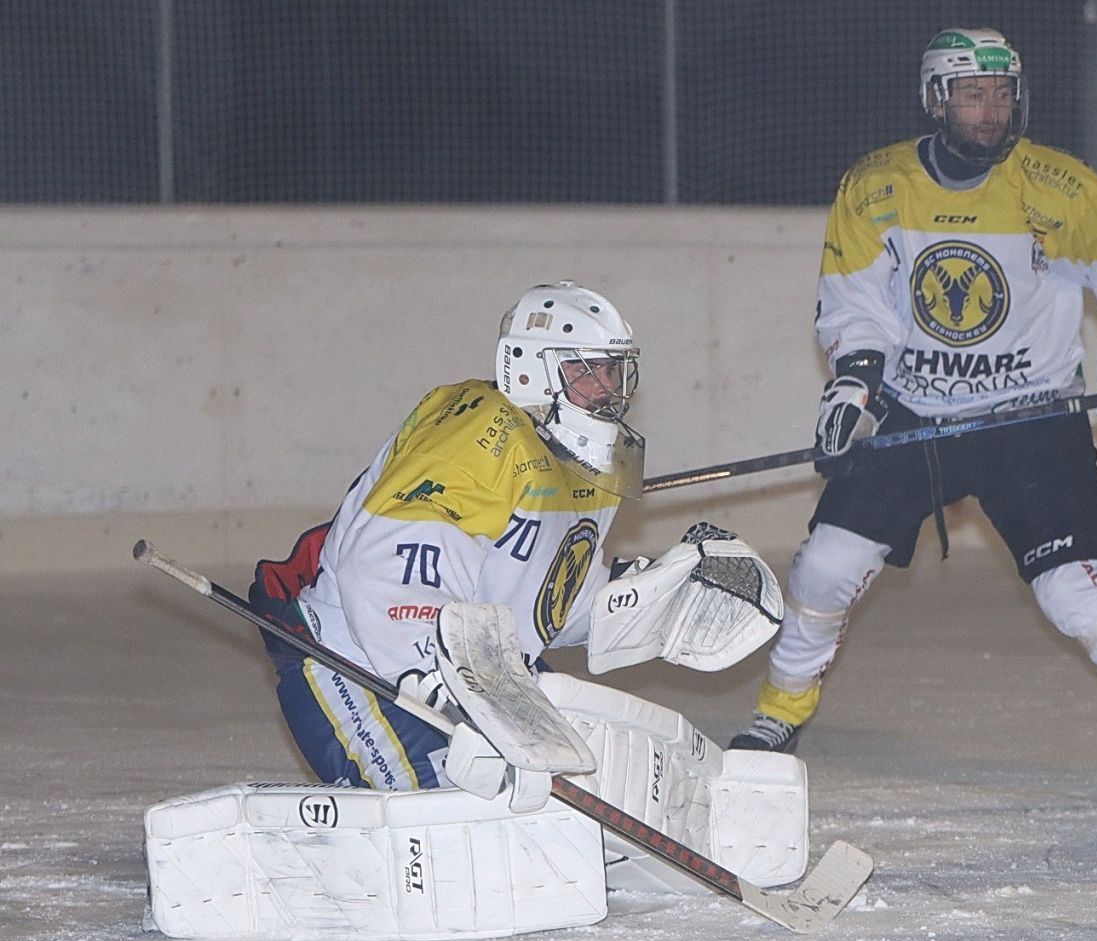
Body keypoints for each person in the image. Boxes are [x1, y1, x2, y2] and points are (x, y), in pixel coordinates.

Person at [726, 28, 1097, 809]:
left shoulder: (1058, 185)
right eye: (972, 95)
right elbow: (854, 302)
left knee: (1077, 590)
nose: (991, 110)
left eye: (1001, 94)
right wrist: (853, 386)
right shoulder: (876, 187)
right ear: (935, 100)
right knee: (825, 567)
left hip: (1031, 421)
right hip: (915, 414)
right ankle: (780, 710)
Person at [242, 281, 803, 905]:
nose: (605, 389)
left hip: (480, 677)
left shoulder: (588, 463)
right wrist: (454, 690)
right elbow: (384, 572)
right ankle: (283, 857)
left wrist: (651, 599)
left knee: (548, 834)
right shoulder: (480, 432)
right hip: (357, 663)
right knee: (463, 842)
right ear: (529, 369)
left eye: (614, 371)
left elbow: (544, 610)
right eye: (585, 370)